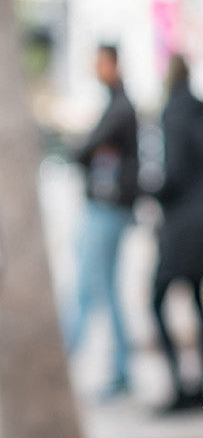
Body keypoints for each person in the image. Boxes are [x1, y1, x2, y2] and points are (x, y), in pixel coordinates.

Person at [150, 54, 203, 411]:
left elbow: (172, 173)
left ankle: (180, 387)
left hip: (182, 227)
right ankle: (199, 387)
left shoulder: (172, 114)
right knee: (200, 304)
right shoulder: (198, 113)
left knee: (155, 301)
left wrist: (150, 190)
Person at [63, 43, 139, 401]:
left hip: (108, 211)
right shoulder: (114, 104)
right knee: (103, 291)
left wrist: (90, 148)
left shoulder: (120, 108)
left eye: (100, 64)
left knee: (88, 290)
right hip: (106, 209)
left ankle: (62, 365)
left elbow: (82, 150)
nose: (96, 70)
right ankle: (121, 372)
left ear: (113, 64)